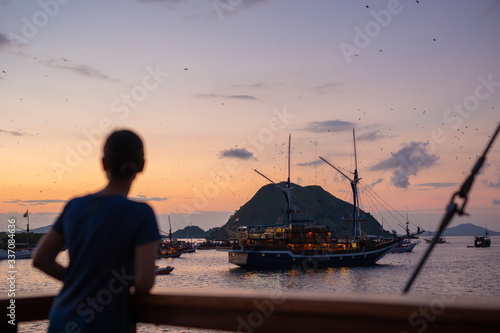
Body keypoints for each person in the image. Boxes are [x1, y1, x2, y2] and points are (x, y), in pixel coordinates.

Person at [33, 129, 160, 332]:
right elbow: (144, 282)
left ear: (103, 164)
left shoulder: (74, 206)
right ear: (142, 165)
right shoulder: (141, 214)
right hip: (107, 324)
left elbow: (41, 260)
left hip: (62, 320)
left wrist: (79, 282)